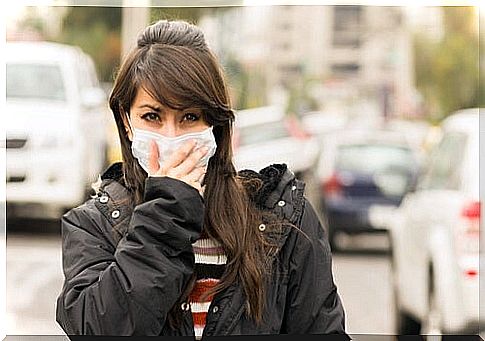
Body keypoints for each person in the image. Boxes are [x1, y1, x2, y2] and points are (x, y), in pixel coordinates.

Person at [55, 19, 349, 338]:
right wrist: (163, 218)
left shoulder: (284, 219)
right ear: (126, 122)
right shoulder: (94, 226)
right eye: (152, 117)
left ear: (215, 125)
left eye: (190, 117)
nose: (171, 136)